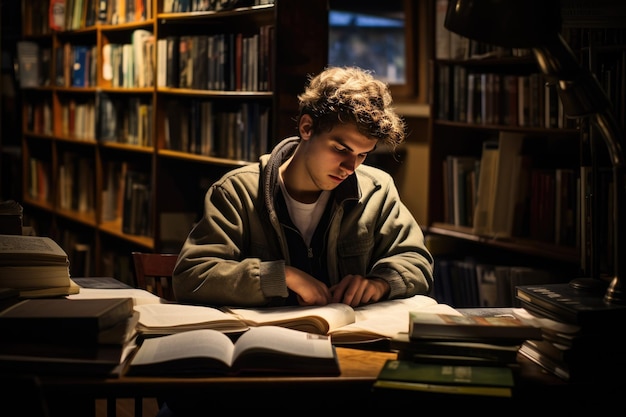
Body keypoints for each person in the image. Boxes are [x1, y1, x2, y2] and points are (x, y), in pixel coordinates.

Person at [172, 66, 434, 308]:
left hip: (350, 342)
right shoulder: (236, 192)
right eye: (340, 149)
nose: (350, 167)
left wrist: (380, 283)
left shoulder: (378, 189)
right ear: (306, 127)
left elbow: (417, 262)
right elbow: (191, 277)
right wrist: (279, 276)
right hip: (266, 345)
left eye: (362, 155)